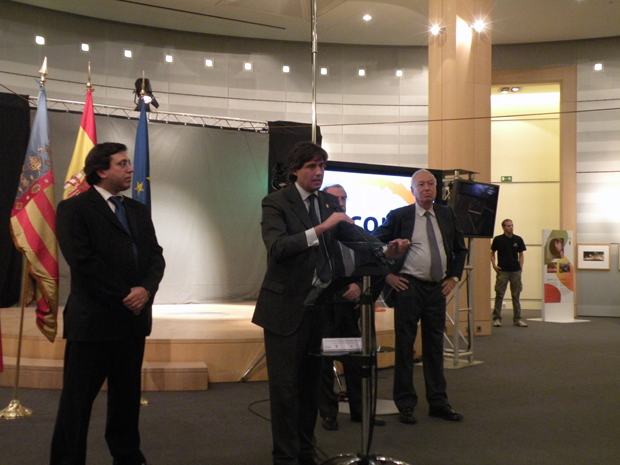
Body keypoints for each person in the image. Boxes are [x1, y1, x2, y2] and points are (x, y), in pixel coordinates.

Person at [252, 142, 408, 465]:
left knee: (310, 386)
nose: (318, 172)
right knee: (285, 389)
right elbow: (278, 248)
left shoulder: (326, 202)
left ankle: (306, 452)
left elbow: (355, 237)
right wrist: (322, 228)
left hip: (318, 307)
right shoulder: (275, 202)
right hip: (284, 310)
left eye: (322, 166)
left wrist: (385, 251)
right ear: (295, 170)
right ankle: (285, 457)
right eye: (311, 166)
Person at [51, 142, 165, 465]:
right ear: (101, 170)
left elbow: (155, 257)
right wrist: (127, 295)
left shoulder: (137, 210)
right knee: (77, 403)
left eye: (129, 163)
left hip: (132, 323)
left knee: (126, 400)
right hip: (93, 323)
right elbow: (83, 263)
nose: (131, 169)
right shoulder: (74, 209)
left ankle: (127, 456)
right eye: (122, 163)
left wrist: (146, 290)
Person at [372, 168, 468, 424]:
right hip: (408, 287)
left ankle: (439, 403)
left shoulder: (446, 214)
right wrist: (388, 276)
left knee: (435, 347)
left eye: (430, 184)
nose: (426, 188)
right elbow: (373, 245)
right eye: (421, 185)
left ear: (436, 188)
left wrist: (453, 277)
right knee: (405, 347)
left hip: (437, 288)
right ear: (413, 190)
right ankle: (405, 404)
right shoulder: (400, 216)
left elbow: (460, 250)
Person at [318, 184, 386, 431]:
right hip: (324, 307)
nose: (341, 202)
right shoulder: (319, 234)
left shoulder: (357, 233)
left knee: (356, 362)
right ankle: (328, 414)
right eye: (335, 198)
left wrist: (360, 287)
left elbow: (376, 266)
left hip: (352, 310)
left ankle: (360, 411)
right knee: (324, 364)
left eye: (344, 198)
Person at [490, 219, 527, 327]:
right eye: (508, 226)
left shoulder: (518, 239)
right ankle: (497, 318)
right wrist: (494, 264)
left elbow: (521, 254)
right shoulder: (498, 239)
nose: (511, 227)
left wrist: (520, 267)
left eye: (512, 225)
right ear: (503, 227)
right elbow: (492, 253)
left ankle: (517, 319)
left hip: (515, 271)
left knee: (516, 295)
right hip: (503, 271)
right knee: (499, 294)